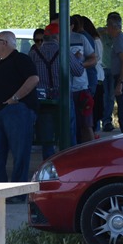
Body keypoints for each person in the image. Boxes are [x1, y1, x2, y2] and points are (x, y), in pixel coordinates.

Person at [0, 31, 38, 188]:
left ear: (4, 43)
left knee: (20, 153)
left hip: (15, 111)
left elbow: (33, 78)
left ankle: (17, 192)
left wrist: (16, 98)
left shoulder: (21, 59)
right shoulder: (1, 64)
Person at [29, 22, 82, 158]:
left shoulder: (34, 54)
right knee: (68, 132)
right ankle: (70, 161)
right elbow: (78, 71)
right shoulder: (65, 52)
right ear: (58, 36)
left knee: (47, 136)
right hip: (63, 97)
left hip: (42, 99)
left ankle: (49, 163)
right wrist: (79, 59)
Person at [70, 16, 96, 143]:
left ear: (71, 26)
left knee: (86, 123)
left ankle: (91, 150)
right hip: (61, 89)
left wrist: (79, 65)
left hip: (80, 87)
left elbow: (93, 58)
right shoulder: (51, 41)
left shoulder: (81, 38)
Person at [98, 13, 122, 132]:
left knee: (110, 96)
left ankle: (107, 120)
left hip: (113, 69)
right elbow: (95, 33)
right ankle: (104, 120)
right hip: (103, 68)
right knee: (104, 96)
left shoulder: (118, 36)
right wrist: (104, 31)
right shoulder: (101, 32)